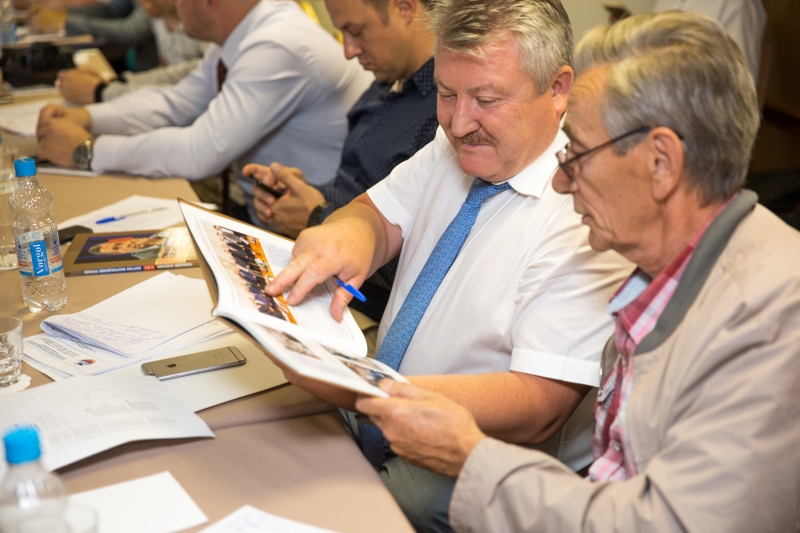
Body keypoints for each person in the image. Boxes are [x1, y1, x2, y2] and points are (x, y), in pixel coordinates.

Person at [355, 11, 800, 533]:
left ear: (661, 163)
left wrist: (471, 459)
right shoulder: (665, 272)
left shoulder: (769, 319)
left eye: (580, 153)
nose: (562, 182)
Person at [262, 0, 632, 530]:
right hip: (384, 396)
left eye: (486, 99)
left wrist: (368, 390)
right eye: (445, 93)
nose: (458, 123)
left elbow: (538, 405)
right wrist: (341, 237)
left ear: (557, 89)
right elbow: (377, 215)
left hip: (483, 454)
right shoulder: (459, 140)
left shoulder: (586, 212)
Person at [35, 0, 373, 221]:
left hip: (306, 227)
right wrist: (89, 118)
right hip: (266, 212)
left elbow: (198, 152)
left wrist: (86, 151)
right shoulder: (249, 29)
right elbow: (177, 103)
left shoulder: (277, 44)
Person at [242, 0, 437, 329]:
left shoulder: (442, 117)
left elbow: (418, 264)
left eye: (356, 31)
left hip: (363, 306)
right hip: (325, 270)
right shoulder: (381, 86)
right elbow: (353, 186)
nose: (348, 51)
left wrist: (316, 214)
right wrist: (299, 194)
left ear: (405, 9)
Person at [57, 0, 208, 105]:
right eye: (140, 4)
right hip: (174, 97)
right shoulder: (156, 17)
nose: (147, 7)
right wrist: (117, 83)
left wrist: (108, 90)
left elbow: (196, 81)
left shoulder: (198, 24)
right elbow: (166, 68)